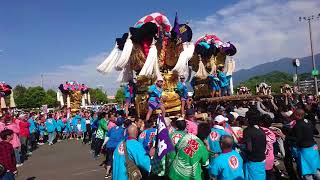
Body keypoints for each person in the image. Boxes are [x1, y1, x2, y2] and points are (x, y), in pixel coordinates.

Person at [291, 109, 320, 179]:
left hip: (305, 150)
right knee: (315, 169)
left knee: (307, 172)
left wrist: (286, 137)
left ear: (298, 116)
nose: (292, 116)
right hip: (314, 148)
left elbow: (298, 139)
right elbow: (316, 132)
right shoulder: (308, 121)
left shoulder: (297, 125)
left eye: (294, 114)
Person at [242, 110, 266, 180]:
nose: (244, 119)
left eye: (245, 118)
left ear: (249, 120)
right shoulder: (261, 130)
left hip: (252, 160)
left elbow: (249, 149)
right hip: (262, 158)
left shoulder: (247, 131)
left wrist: (241, 147)